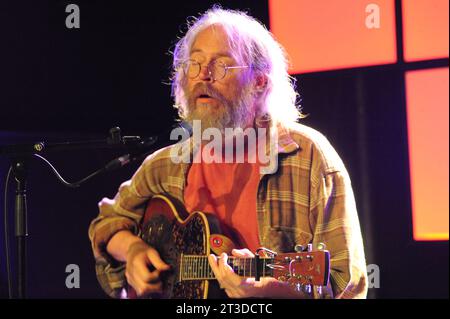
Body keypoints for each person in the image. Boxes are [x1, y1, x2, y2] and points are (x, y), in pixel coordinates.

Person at [88, 6, 368, 299]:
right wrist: (133, 250)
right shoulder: (165, 166)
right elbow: (105, 224)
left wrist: (271, 294)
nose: (203, 76)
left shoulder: (308, 159)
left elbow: (346, 287)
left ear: (260, 82)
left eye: (221, 66)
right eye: (194, 64)